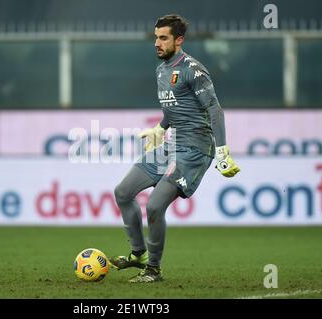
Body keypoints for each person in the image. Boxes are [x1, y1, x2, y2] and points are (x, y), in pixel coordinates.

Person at [109, 14, 240, 283]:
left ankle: (153, 269)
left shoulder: (193, 69)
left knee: (155, 206)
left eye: (163, 38)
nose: (157, 43)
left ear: (178, 40)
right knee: (123, 192)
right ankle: (138, 255)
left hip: (195, 149)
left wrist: (223, 151)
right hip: (172, 144)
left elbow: (214, 109)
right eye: (156, 37)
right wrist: (160, 127)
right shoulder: (161, 70)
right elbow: (176, 107)